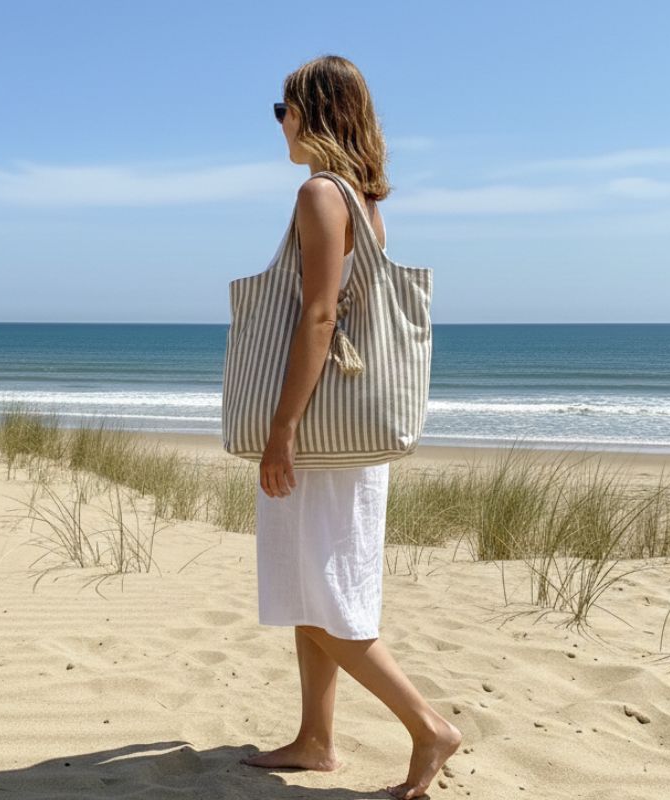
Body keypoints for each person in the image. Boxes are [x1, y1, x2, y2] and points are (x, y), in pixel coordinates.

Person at [239, 55, 462, 800]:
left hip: (318, 435)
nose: (280, 123)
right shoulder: (363, 200)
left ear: (314, 112)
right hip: (347, 431)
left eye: (284, 108)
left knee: (326, 600)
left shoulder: (318, 194)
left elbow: (320, 316)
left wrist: (281, 430)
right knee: (313, 590)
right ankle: (316, 739)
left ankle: (428, 727)